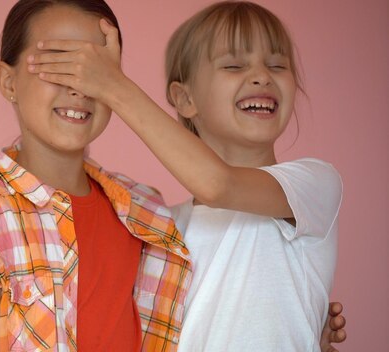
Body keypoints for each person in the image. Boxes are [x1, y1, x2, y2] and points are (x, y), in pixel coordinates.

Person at [26, 1, 346, 350]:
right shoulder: (166, 227)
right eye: (235, 65)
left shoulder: (313, 185)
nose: (261, 75)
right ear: (184, 98)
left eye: (277, 65)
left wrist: (114, 86)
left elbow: (217, 185)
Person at [0, 1, 192, 351]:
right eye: (58, 64)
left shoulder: (145, 209)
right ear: (9, 82)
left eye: (97, 70)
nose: (79, 87)